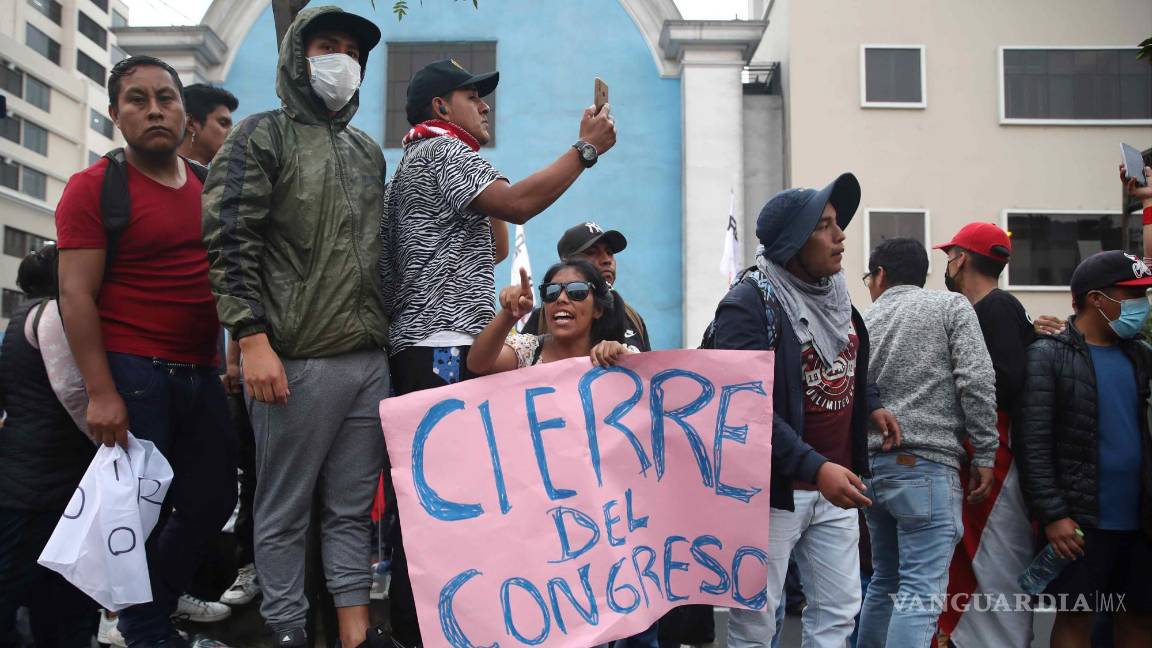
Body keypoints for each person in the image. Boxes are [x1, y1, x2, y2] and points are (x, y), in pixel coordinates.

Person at [379, 57, 615, 647]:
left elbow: (496, 237)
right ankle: (430, 631)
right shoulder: (440, 152)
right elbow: (515, 208)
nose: (484, 106)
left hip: (424, 351)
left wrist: (498, 190)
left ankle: (430, 629)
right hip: (442, 353)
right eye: (471, 96)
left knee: (440, 509)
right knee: (445, 512)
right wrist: (583, 151)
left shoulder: (420, 161)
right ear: (440, 108)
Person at [201, 7, 391, 648]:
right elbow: (229, 242)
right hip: (296, 362)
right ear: (295, 56)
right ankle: (285, 632)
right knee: (281, 513)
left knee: (348, 514)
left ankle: (356, 634)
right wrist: (251, 340)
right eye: (326, 46)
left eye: (350, 51)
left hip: (369, 360)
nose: (340, 59)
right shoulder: (260, 136)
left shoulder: (366, 150)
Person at [55, 55, 237, 648]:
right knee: (139, 514)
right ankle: (144, 629)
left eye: (166, 97)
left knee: (214, 499)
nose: (154, 108)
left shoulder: (210, 188)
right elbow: (75, 296)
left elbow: (230, 280)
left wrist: (234, 354)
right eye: (137, 99)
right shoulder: (93, 188)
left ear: (185, 113)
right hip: (135, 374)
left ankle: (145, 615)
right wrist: (101, 392)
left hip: (203, 372)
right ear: (115, 114)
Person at [712, 173, 900, 648]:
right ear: (793, 242)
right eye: (824, 227)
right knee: (757, 620)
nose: (840, 236)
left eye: (838, 224)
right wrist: (817, 470)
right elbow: (746, 410)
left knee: (838, 614)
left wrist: (871, 405)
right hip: (774, 494)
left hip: (834, 486)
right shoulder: (748, 304)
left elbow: (847, 360)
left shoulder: (837, 297)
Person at [856, 238, 998, 648]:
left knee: (885, 581)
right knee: (920, 591)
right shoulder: (950, 307)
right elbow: (976, 380)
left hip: (873, 469)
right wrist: (985, 452)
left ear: (880, 275)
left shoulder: (864, 321)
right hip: (928, 465)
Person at [1016, 250, 1152, 648]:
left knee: (1141, 619)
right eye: (1133, 295)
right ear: (1097, 299)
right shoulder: (1048, 355)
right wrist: (1054, 514)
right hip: (1079, 524)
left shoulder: (1142, 357)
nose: (1142, 305)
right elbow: (1033, 443)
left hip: (1141, 523)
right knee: (1076, 619)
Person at [933, 222, 1036, 646]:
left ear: (963, 259)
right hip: (990, 454)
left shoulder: (993, 309)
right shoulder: (997, 309)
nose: (948, 263)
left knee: (994, 568)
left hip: (995, 458)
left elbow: (1006, 382)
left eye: (950, 255)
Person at [0, 245, 99, 648]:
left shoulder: (21, 316)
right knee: (31, 578)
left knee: (29, 579)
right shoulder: (52, 315)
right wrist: (109, 441)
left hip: (27, 469)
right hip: (44, 476)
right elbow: (72, 392)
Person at [468, 260, 634, 374]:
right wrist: (508, 315)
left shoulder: (615, 356)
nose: (561, 299)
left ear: (597, 309)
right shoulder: (527, 352)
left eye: (577, 291)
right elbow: (478, 365)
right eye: (551, 291)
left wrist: (623, 357)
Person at [521, 222, 651, 351]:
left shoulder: (633, 317)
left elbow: (647, 370)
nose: (606, 260)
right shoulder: (542, 319)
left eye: (609, 252)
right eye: (592, 252)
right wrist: (508, 316)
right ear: (568, 262)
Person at [176, 84, 237, 166]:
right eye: (223, 123)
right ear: (191, 123)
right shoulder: (158, 173)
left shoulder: (213, 177)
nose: (232, 133)